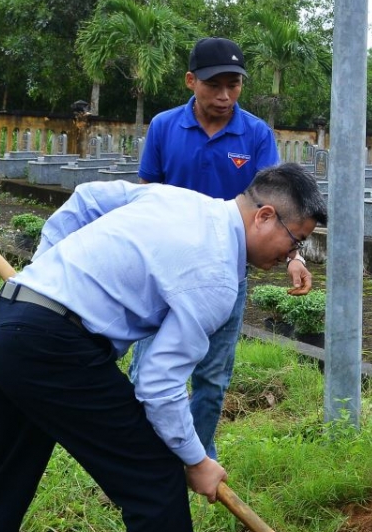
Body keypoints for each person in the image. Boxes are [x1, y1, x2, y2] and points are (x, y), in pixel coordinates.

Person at [0, 165, 327, 532]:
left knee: (5, 482)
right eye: (295, 240)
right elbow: (157, 385)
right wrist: (194, 459)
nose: (294, 254)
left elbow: (86, 197)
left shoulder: (179, 199)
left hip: (3, 319)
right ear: (265, 216)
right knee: (154, 475)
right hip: (49, 346)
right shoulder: (217, 278)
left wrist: (46, 274)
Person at [133, 37, 313, 460]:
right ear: (191, 81)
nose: (225, 96)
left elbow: (278, 205)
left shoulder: (254, 134)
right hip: (166, 271)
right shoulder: (164, 127)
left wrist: (294, 256)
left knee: (212, 377)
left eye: (234, 85)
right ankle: (141, 456)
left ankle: (195, 457)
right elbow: (146, 198)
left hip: (227, 274)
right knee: (147, 369)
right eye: (215, 85)